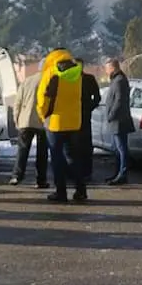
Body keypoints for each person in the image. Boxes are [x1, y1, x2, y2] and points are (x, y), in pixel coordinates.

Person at [36, 47, 87, 203]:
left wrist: (43, 115)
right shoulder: (77, 72)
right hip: (74, 121)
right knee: (73, 157)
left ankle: (61, 192)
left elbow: (43, 98)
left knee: (57, 158)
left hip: (55, 122)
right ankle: (81, 190)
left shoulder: (51, 72)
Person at [10, 68, 49, 188]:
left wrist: (16, 119)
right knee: (42, 153)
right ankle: (41, 180)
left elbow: (18, 102)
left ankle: (17, 176)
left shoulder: (27, 81)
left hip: (25, 120)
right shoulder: (48, 81)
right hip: (43, 121)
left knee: (22, 150)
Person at [103, 58, 134, 186]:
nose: (105, 71)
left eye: (107, 68)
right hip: (116, 121)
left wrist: (111, 115)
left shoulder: (119, 80)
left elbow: (119, 101)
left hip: (119, 121)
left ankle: (123, 174)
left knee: (122, 149)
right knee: (117, 149)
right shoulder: (116, 80)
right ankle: (117, 173)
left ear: (112, 68)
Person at [77, 59, 101, 182]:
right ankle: (76, 171)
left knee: (86, 145)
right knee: (74, 146)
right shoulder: (69, 80)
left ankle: (87, 172)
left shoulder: (89, 79)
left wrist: (89, 108)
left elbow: (97, 97)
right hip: (73, 116)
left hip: (84, 116)